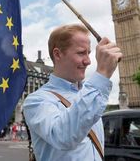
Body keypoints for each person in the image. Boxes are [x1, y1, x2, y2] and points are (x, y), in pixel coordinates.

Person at [23, 24, 122, 160]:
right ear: (58, 54)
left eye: (88, 53)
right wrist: (102, 73)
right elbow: (63, 136)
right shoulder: (37, 100)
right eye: (81, 53)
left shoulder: (89, 94)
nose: (88, 61)